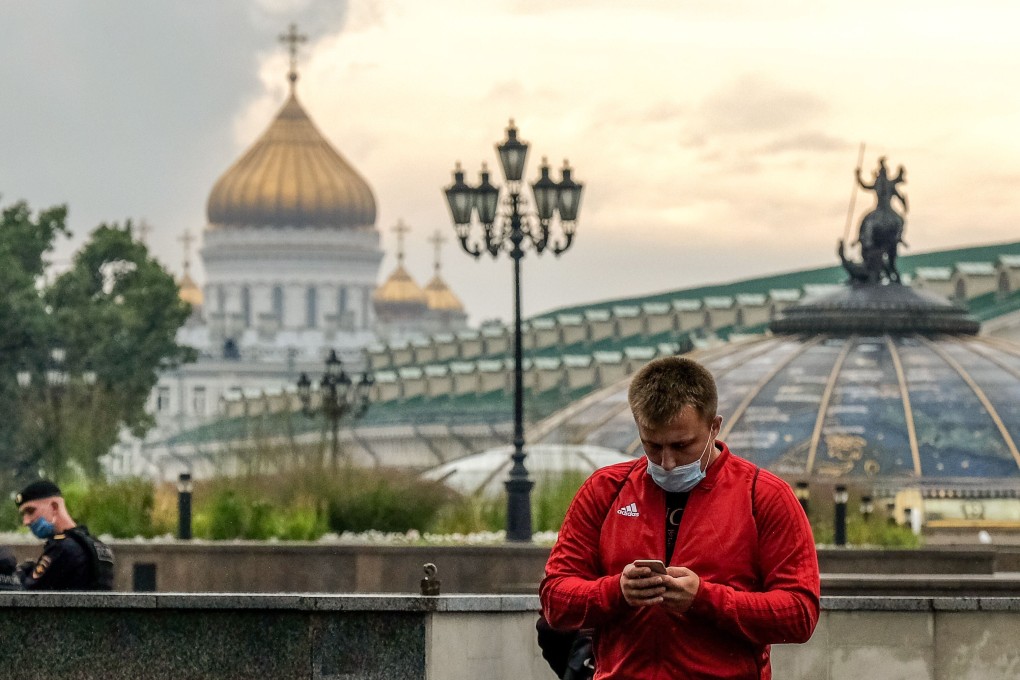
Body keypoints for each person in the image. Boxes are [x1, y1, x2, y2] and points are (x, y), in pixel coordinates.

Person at [540, 356, 819, 679]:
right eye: (652, 446)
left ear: (714, 426)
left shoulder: (765, 496)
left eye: (682, 445)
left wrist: (704, 598)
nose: (668, 462)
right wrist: (617, 591)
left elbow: (800, 613)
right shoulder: (604, 490)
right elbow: (554, 600)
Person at [14, 480, 114, 591]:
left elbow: (27, 593)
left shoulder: (63, 549)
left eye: (30, 511)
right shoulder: (97, 546)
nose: (26, 521)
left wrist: (17, 575)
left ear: (54, 507)